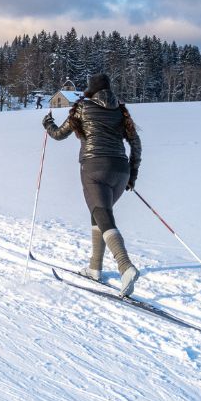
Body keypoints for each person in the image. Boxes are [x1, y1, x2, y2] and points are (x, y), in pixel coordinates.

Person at [42, 73, 143, 297]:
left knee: (102, 214)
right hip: (120, 170)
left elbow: (59, 134)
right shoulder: (120, 110)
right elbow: (136, 144)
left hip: (94, 168)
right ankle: (94, 267)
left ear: (90, 90)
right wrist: (132, 175)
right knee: (99, 214)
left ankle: (125, 266)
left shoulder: (83, 108)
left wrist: (48, 124)